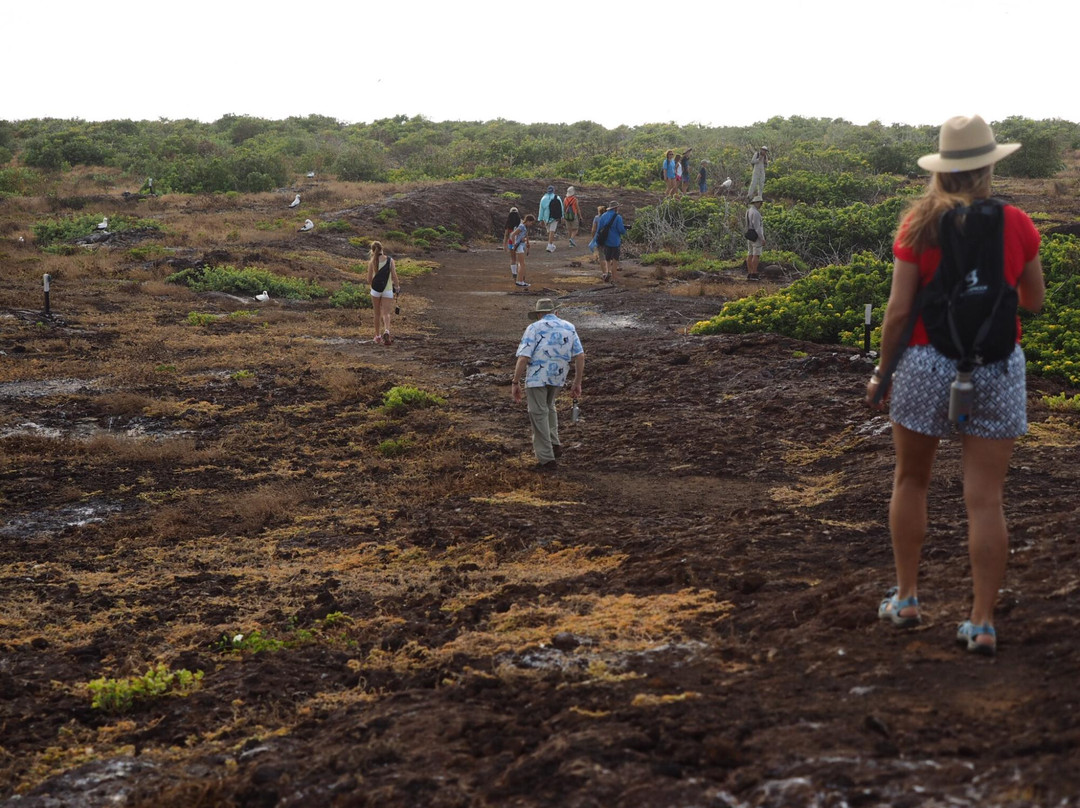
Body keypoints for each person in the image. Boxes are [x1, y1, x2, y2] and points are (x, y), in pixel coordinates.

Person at [866, 114, 1045, 657]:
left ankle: (907, 598)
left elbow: (898, 312)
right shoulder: (1017, 223)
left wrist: (882, 373)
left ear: (942, 168)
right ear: (989, 166)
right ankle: (982, 622)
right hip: (996, 366)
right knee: (986, 500)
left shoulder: (919, 223)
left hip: (925, 363)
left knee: (911, 481)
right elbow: (1034, 301)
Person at [512, 298, 585, 469]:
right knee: (549, 406)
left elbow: (523, 357)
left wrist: (515, 382)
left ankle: (546, 459)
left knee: (538, 413)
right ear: (555, 312)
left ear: (539, 314)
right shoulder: (569, 327)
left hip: (537, 377)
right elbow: (580, 356)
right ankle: (554, 443)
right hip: (558, 376)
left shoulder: (534, 328)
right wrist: (577, 382)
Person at [367, 241, 400, 345]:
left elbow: (369, 279)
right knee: (386, 313)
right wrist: (397, 287)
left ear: (372, 250)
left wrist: (375, 286)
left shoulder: (372, 262)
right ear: (382, 248)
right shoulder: (390, 261)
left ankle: (377, 336)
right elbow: (394, 276)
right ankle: (386, 331)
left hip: (375, 291)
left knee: (377, 314)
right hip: (388, 290)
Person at [594, 200, 627, 284]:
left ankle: (608, 272)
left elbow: (599, 229)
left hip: (606, 241)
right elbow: (621, 230)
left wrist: (597, 240)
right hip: (615, 241)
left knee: (607, 259)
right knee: (615, 260)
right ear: (615, 208)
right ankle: (614, 277)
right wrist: (625, 230)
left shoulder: (603, 216)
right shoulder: (618, 217)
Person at [509, 214, 536, 288]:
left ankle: (520, 280)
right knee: (522, 264)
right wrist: (514, 244)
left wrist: (525, 241)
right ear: (528, 221)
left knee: (521, 264)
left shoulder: (523, 227)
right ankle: (520, 281)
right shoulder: (522, 226)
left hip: (520, 246)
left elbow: (520, 236)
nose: (531, 224)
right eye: (531, 222)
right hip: (519, 246)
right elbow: (513, 235)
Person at [745, 195, 765, 280]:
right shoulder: (756, 213)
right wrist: (762, 238)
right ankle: (754, 273)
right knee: (756, 255)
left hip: (750, 234)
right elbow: (757, 227)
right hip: (756, 235)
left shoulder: (748, 211)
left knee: (750, 254)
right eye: (760, 203)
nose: (761, 205)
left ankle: (750, 273)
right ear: (756, 203)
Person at [538, 185, 562, 252]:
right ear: (553, 190)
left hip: (546, 217)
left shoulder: (543, 198)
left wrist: (540, 219)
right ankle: (549, 245)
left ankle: (551, 244)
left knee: (549, 231)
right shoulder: (557, 197)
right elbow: (561, 208)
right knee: (552, 231)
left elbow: (541, 210)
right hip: (554, 217)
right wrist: (562, 216)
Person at [503, 206, 522, 280]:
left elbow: (506, 235)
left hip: (511, 243)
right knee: (520, 259)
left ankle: (514, 273)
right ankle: (520, 273)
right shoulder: (521, 223)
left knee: (513, 259)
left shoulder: (508, 224)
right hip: (519, 243)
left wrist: (504, 245)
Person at [589, 204, 607, 277]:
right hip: (609, 239)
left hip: (599, 238)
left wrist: (593, 238)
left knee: (602, 256)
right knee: (609, 256)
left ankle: (604, 273)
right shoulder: (609, 218)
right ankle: (609, 271)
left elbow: (593, 230)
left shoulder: (597, 218)